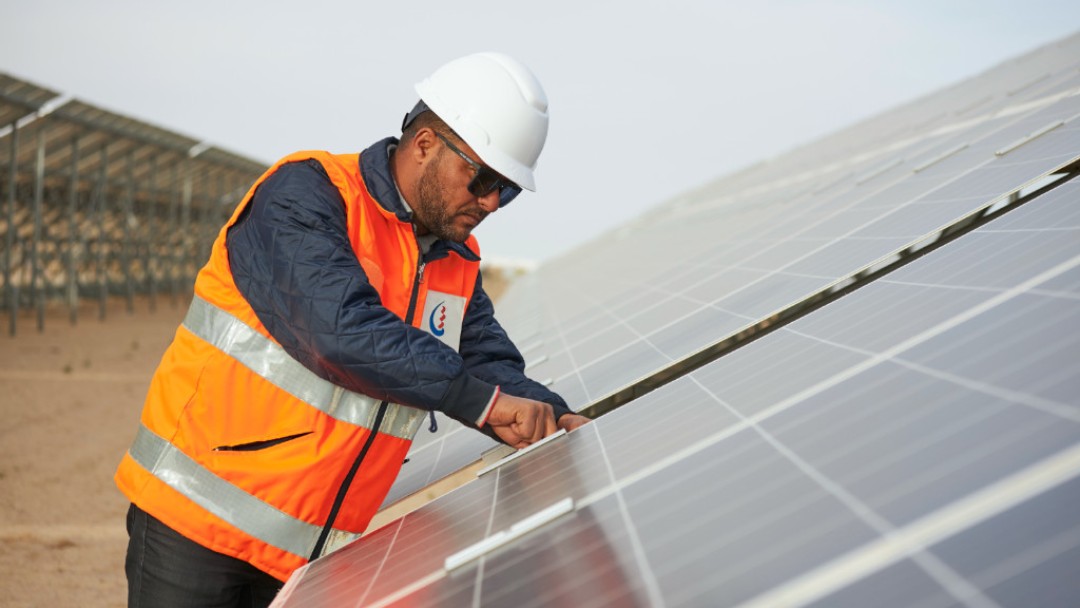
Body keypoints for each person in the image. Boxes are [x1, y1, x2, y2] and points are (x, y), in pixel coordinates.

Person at [114, 52, 589, 607]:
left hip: (311, 551)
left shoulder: (454, 258)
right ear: (426, 144)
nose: (489, 202)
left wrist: (555, 416)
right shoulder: (309, 196)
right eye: (482, 178)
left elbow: (484, 358)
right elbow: (340, 331)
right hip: (196, 523)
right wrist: (480, 403)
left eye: (505, 190)